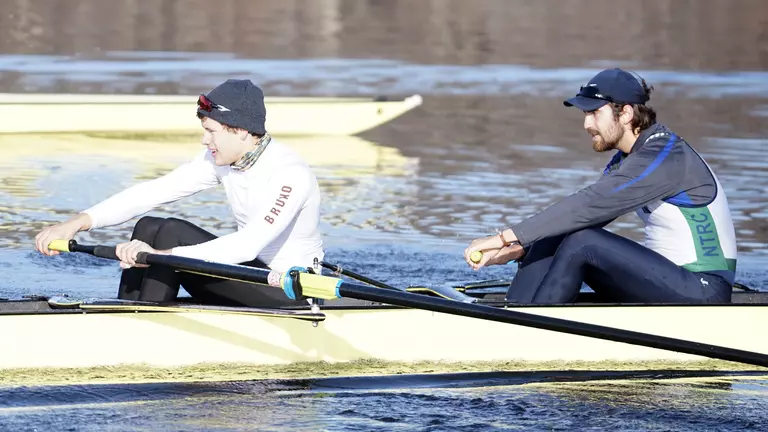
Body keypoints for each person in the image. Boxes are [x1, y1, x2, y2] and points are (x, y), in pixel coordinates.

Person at [35, 79, 324, 307]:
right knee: (150, 226)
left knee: (171, 232)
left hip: (291, 290)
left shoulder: (290, 174)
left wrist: (159, 255)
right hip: (250, 275)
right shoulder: (222, 159)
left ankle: (145, 321)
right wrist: (75, 223)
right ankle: (129, 308)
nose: (204, 140)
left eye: (211, 131)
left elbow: (245, 247)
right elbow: (152, 192)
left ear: (241, 131)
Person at [464, 68, 737, 304]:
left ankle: (532, 327)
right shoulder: (630, 158)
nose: (586, 124)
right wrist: (519, 248)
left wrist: (505, 237)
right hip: (669, 282)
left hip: (704, 290)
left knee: (583, 241)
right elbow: (584, 216)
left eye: (594, 113)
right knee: (560, 234)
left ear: (626, 113)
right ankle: (516, 311)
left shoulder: (665, 157)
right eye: (585, 114)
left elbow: (589, 204)